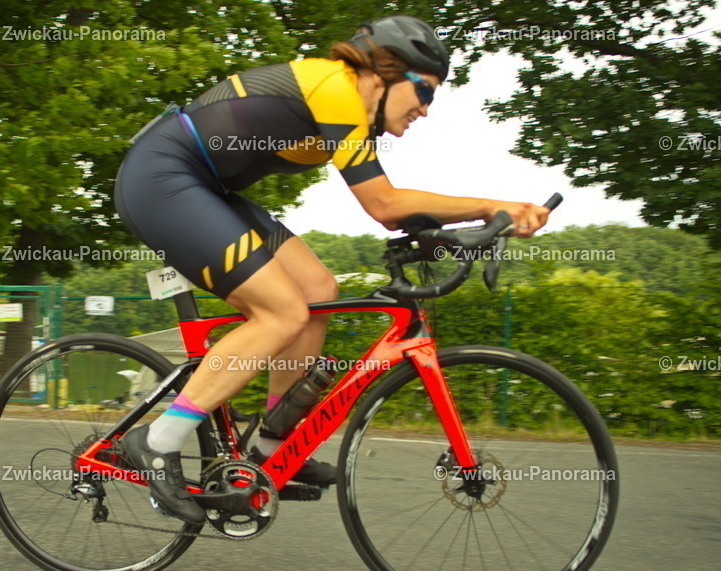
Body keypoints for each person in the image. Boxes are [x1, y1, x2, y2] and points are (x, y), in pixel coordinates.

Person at [113, 15, 550, 523]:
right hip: (162, 179)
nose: (426, 111)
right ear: (387, 70)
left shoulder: (353, 111)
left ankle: (272, 446)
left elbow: (398, 207)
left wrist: (442, 233)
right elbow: (384, 203)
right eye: (425, 92)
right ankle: (158, 439)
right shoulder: (337, 87)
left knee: (318, 288)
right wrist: (492, 205)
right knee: (280, 313)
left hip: (207, 188)